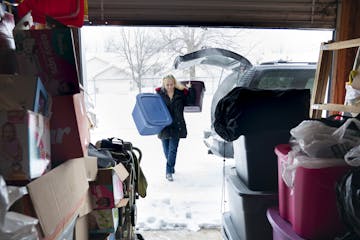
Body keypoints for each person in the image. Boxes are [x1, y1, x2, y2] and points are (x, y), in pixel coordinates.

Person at [155, 74, 195, 181]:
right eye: (167, 85)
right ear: (164, 84)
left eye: (171, 84)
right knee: (166, 151)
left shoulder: (180, 94)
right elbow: (154, 109)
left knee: (172, 150)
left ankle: (168, 172)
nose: (169, 87)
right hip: (164, 126)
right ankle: (171, 166)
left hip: (177, 125)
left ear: (174, 83)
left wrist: (190, 89)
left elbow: (190, 101)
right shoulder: (159, 94)